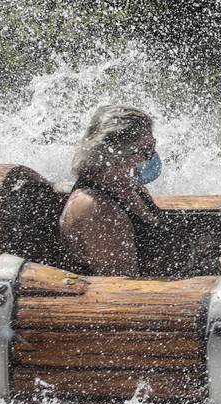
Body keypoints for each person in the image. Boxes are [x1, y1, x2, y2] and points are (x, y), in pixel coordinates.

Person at [59, 105, 167, 276]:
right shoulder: (95, 208)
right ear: (115, 154)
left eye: (153, 146)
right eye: (146, 150)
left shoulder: (130, 185)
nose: (152, 156)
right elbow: (122, 284)